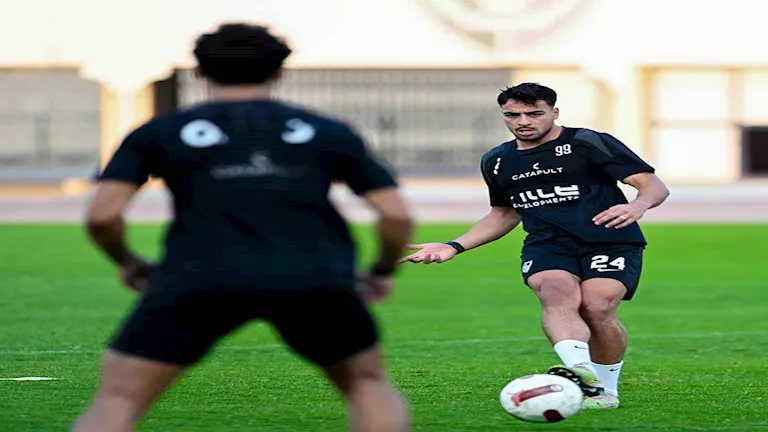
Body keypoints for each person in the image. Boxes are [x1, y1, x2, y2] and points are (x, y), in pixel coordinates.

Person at [74, 23, 413, 432]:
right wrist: (382, 270)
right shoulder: (327, 131)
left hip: (198, 276)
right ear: (278, 71)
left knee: (119, 397)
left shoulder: (159, 132)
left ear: (200, 70)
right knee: (366, 384)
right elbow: (395, 215)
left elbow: (102, 216)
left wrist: (128, 262)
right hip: (313, 277)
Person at [400, 82, 669, 409]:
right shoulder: (497, 160)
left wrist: (637, 205)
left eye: (534, 113)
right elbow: (503, 214)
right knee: (554, 291)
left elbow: (652, 185)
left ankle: (606, 391)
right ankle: (582, 372)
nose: (523, 121)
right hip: (547, 243)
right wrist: (454, 245)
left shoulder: (587, 142)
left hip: (609, 239)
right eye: (512, 115)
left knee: (597, 307)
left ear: (554, 113)